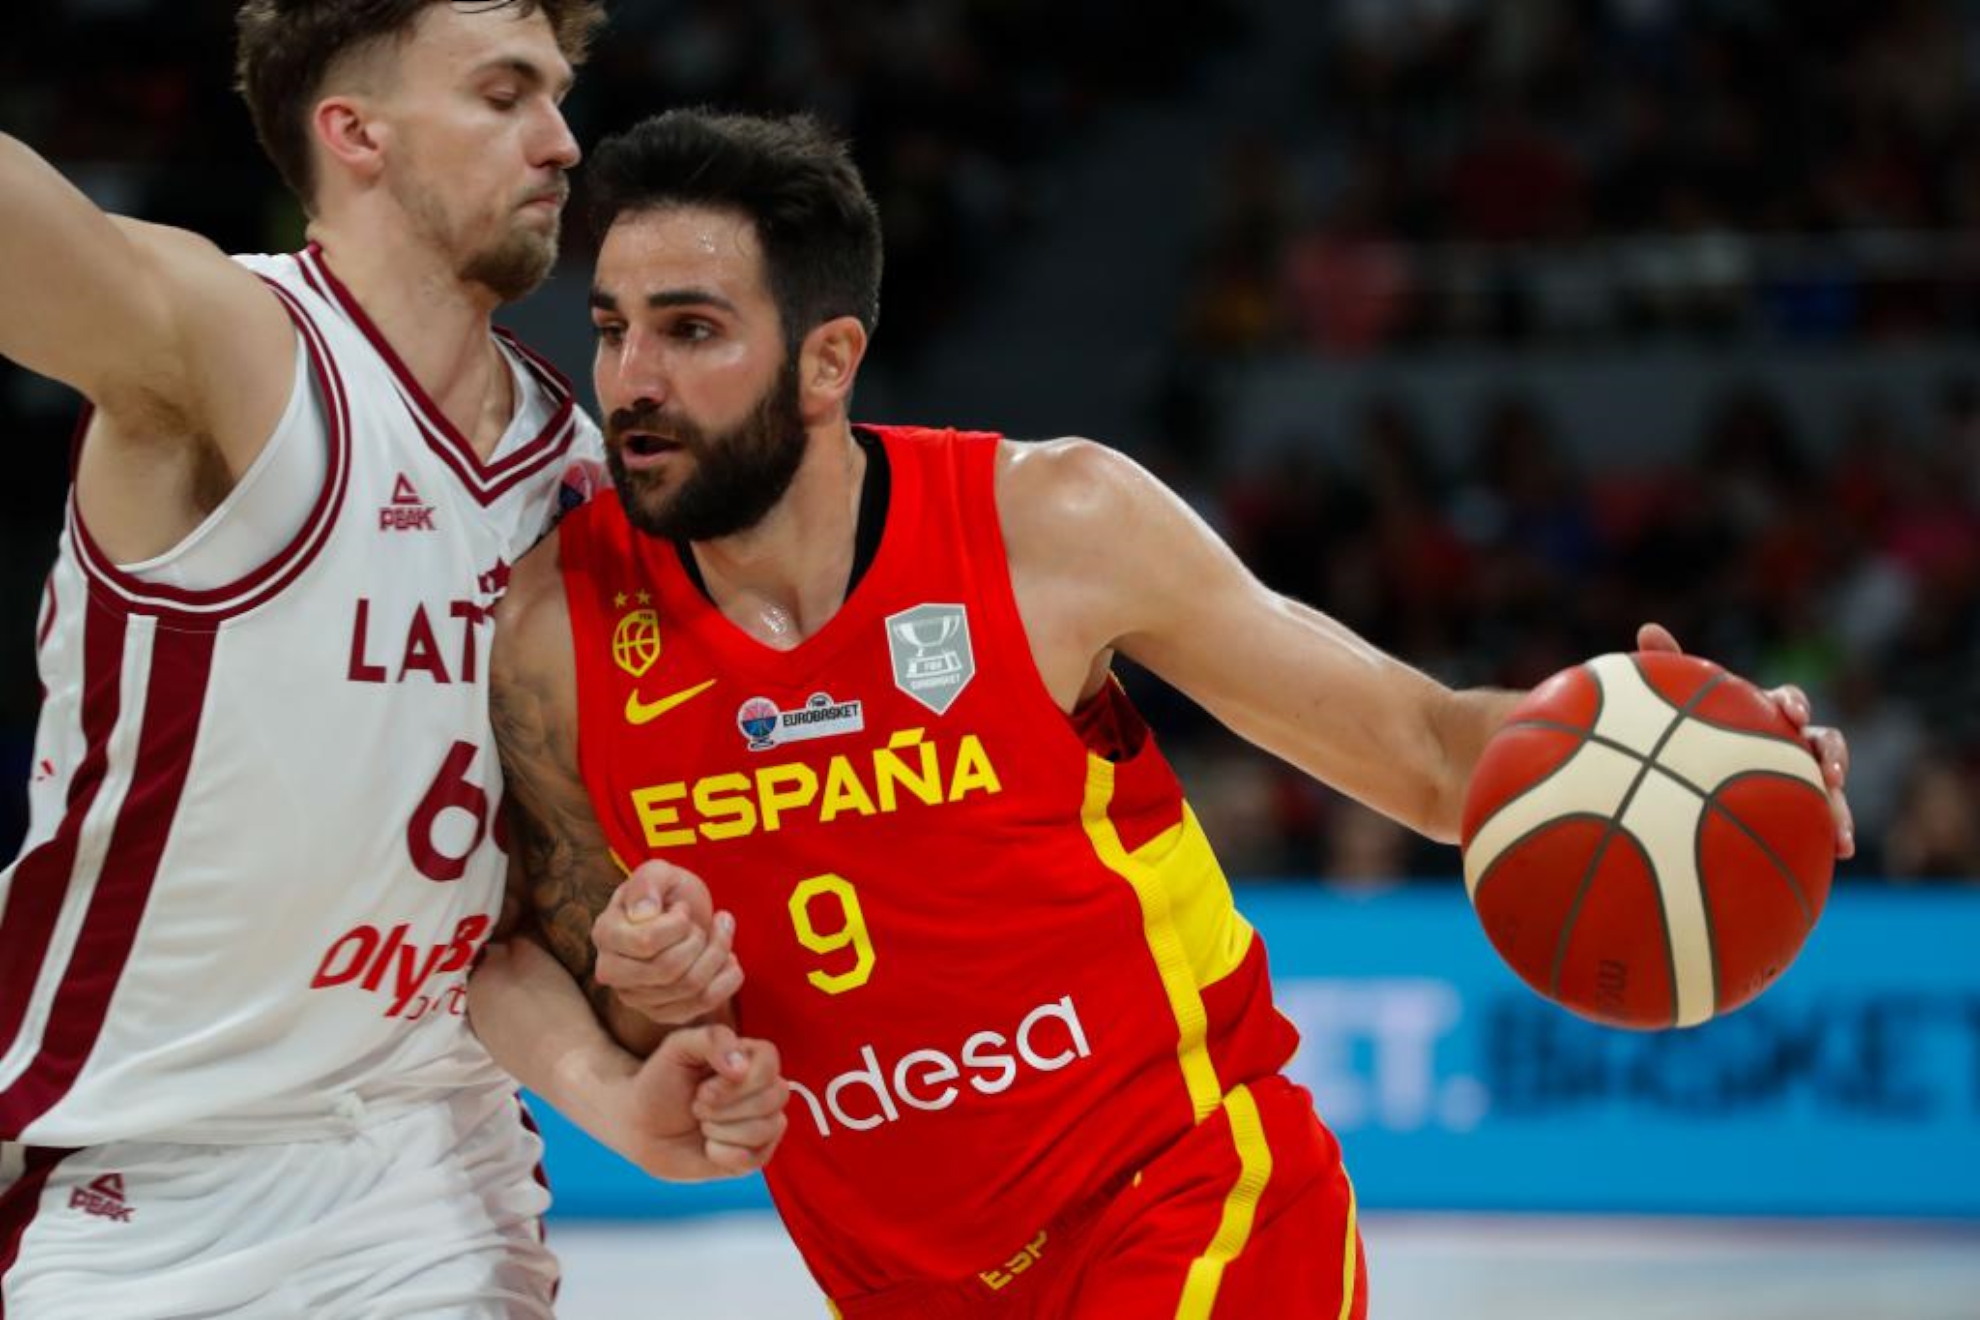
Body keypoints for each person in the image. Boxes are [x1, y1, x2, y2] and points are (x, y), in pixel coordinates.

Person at [488, 109, 1857, 1317]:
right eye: (611, 329)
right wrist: (647, 989)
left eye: (691, 330)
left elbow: (1433, 754)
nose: (632, 381)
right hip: (894, 1281)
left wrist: (1665, 747)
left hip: (1188, 1199)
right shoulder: (558, 632)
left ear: (827, 360)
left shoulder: (1051, 525)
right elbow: (608, 1008)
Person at [0, 7, 784, 1317]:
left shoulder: (585, 483)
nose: (561, 141)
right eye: (504, 96)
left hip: (432, 1178)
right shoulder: (230, 350)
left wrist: (629, 1053)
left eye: (558, 95)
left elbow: (522, 923)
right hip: (138, 1177)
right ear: (355, 132)